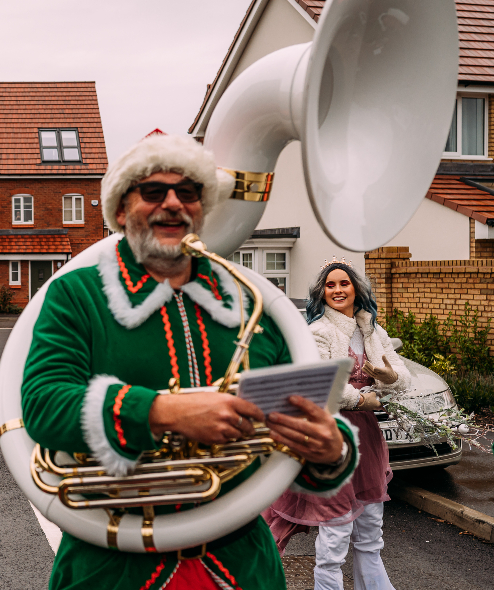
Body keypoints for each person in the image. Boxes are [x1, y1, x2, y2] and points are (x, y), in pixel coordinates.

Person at [21, 130, 361, 590]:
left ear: (202, 210)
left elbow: (296, 408)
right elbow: (43, 404)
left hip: (242, 566)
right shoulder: (76, 294)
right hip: (113, 566)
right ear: (121, 210)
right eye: (154, 191)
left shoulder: (252, 302)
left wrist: (330, 449)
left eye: (189, 192)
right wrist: (164, 412)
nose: (174, 203)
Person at [263, 260, 408, 590]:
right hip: (331, 438)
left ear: (356, 288)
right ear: (322, 293)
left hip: (367, 440)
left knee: (370, 532)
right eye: (331, 285)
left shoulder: (373, 331)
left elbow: (399, 374)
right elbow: (319, 383)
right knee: (335, 533)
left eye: (344, 283)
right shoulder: (317, 333)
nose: (338, 290)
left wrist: (391, 378)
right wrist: (359, 400)